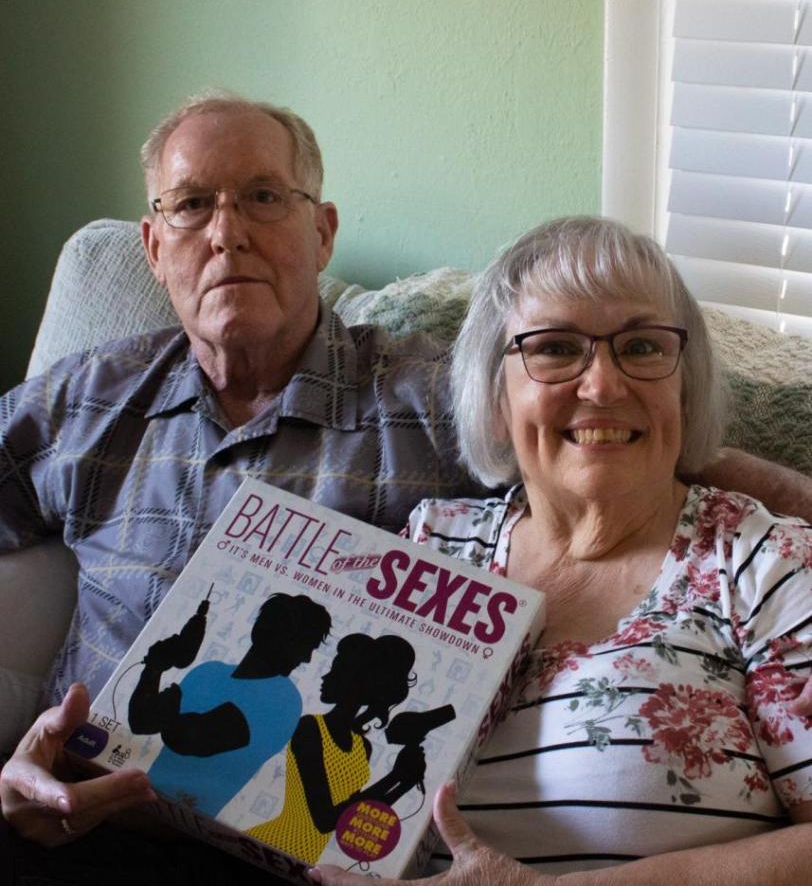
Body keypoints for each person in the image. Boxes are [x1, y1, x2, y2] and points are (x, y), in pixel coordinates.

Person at [0, 95, 810, 883]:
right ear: (151, 244)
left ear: (322, 233)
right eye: (190, 205)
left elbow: (607, 443)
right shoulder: (89, 399)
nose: (226, 233)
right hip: (74, 823)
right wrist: (27, 764)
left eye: (262, 196)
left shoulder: (423, 400)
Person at [311, 216, 812, 886]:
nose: (602, 385)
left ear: (684, 390)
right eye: (553, 348)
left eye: (640, 346)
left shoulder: (763, 564)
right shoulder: (435, 543)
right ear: (495, 397)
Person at [128, 593, 332, 818]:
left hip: (190, 820)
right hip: (139, 796)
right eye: (305, 646)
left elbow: (190, 738)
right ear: (270, 635)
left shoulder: (283, 700)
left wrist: (168, 701)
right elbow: (140, 721)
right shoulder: (209, 672)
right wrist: (154, 668)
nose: (307, 659)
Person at [246, 633, 426, 864]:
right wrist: (394, 777)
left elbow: (354, 816)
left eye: (336, 670)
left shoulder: (363, 747)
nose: (324, 676)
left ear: (357, 681)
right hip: (272, 846)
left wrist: (406, 782)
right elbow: (325, 820)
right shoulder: (310, 728)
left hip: (304, 860)